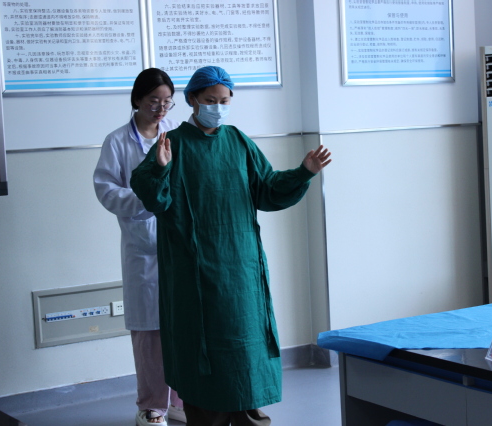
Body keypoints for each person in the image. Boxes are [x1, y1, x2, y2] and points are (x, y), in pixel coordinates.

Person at [130, 66, 332, 425]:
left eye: (224, 101)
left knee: (245, 348)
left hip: (241, 268)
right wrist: (159, 168)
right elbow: (152, 197)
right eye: (210, 100)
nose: (218, 107)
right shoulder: (173, 143)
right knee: (204, 353)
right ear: (192, 100)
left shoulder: (238, 141)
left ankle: (249, 415)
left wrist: (304, 172)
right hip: (194, 272)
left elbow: (267, 190)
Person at [93, 68, 187, 426]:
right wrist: (146, 200)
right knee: (149, 332)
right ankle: (151, 406)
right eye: (153, 101)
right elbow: (106, 190)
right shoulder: (117, 141)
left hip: (180, 242)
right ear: (137, 100)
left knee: (183, 326)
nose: (161, 108)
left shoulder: (177, 134)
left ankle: (181, 400)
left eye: (167, 102)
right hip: (143, 246)